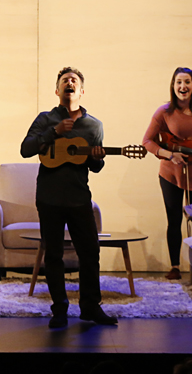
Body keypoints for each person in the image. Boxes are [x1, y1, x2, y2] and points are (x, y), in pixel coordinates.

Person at [20, 66, 117, 328]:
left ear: (81, 91)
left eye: (74, 80)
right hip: (49, 197)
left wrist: (97, 158)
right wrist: (54, 132)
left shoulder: (94, 125)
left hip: (79, 197)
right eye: (65, 80)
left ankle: (90, 307)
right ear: (57, 90)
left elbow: (95, 167)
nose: (69, 83)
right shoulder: (45, 119)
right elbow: (25, 149)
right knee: (53, 255)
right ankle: (60, 310)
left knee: (90, 253)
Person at [142, 67, 192, 279]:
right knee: (174, 220)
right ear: (173, 86)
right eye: (179, 82)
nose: (183, 86)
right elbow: (147, 141)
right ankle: (175, 267)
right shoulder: (164, 111)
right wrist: (169, 155)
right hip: (171, 173)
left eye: (187, 82)